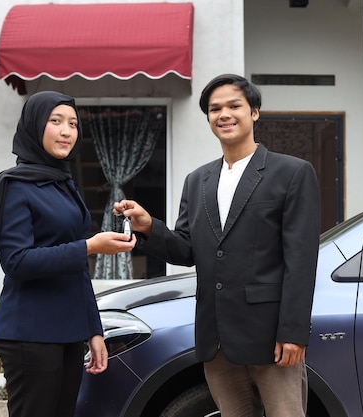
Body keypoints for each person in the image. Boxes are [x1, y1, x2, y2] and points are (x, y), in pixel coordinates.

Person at [114, 74, 320, 417]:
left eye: (234, 106)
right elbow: (186, 250)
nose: (224, 114)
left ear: (254, 112)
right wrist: (149, 226)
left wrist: (294, 332)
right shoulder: (198, 181)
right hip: (216, 338)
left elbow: (301, 259)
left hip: (271, 337)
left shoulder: (292, 173)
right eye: (214, 109)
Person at [0, 91, 136, 417]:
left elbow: (76, 270)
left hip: (67, 330)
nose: (67, 131)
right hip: (30, 331)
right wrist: (90, 246)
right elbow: (18, 262)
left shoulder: (62, 181)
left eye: (73, 123)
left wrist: (93, 329)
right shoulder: (15, 186)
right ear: (34, 126)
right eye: (56, 121)